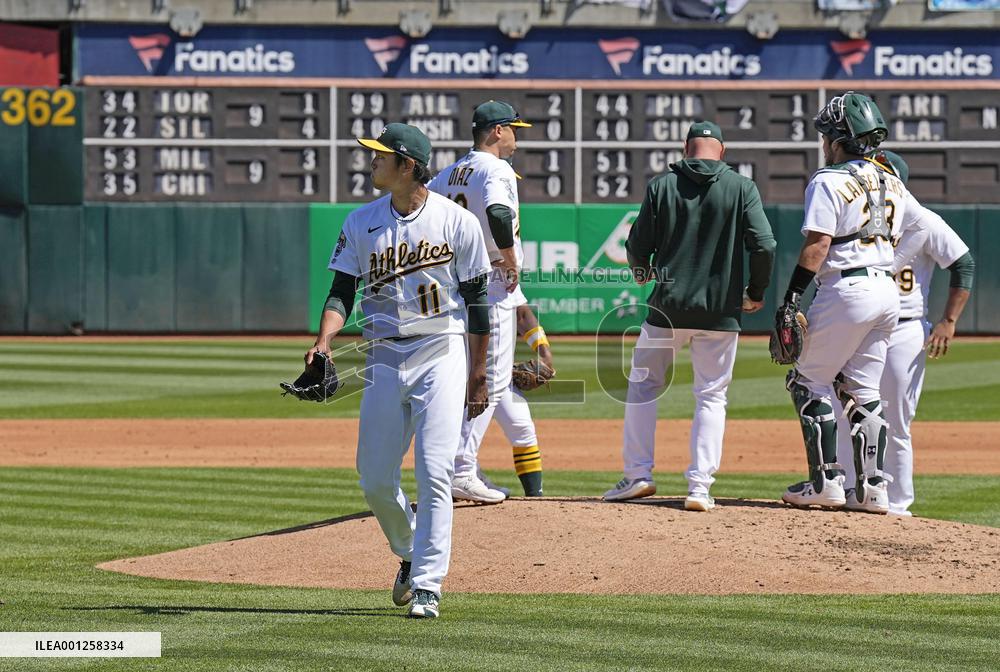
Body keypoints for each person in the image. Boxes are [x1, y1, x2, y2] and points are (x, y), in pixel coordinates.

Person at [307, 123, 492, 618]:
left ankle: (429, 584)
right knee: (373, 477)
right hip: (384, 355)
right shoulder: (360, 220)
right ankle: (410, 552)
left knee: (435, 471)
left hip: (443, 350)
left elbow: (477, 304)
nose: (370, 162)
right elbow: (342, 291)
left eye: (379, 156)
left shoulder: (457, 222)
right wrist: (325, 339)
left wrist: (478, 373)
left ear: (408, 165)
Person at [603, 120, 776, 511]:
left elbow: (635, 246)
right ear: (722, 150)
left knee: (644, 386)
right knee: (712, 396)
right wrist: (756, 291)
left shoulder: (662, 186)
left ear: (686, 148)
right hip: (721, 313)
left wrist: (643, 273)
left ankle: (637, 475)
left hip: (667, 308)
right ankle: (699, 488)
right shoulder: (742, 188)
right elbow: (764, 244)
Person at [775, 92, 927, 514]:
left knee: (807, 381)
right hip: (886, 290)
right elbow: (917, 229)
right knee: (862, 388)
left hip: (847, 288)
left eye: (828, 135)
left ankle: (826, 483)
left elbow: (819, 244)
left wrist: (790, 299)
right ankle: (873, 489)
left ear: (840, 139)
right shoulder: (892, 181)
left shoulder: (828, 179)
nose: (825, 143)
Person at [835, 150, 974, 516]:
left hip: (904, 329)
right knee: (846, 410)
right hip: (858, 326)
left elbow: (964, 263)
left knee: (896, 420)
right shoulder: (856, 215)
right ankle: (852, 489)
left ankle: (898, 504)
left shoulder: (924, 220)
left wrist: (949, 320)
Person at [428, 100, 547, 502]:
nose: (516, 137)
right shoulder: (495, 169)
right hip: (490, 282)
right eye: (514, 129)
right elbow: (497, 211)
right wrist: (509, 258)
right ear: (497, 131)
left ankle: (454, 467)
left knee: (463, 380)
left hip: (454, 286)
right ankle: (461, 469)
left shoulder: (448, 173)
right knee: (490, 380)